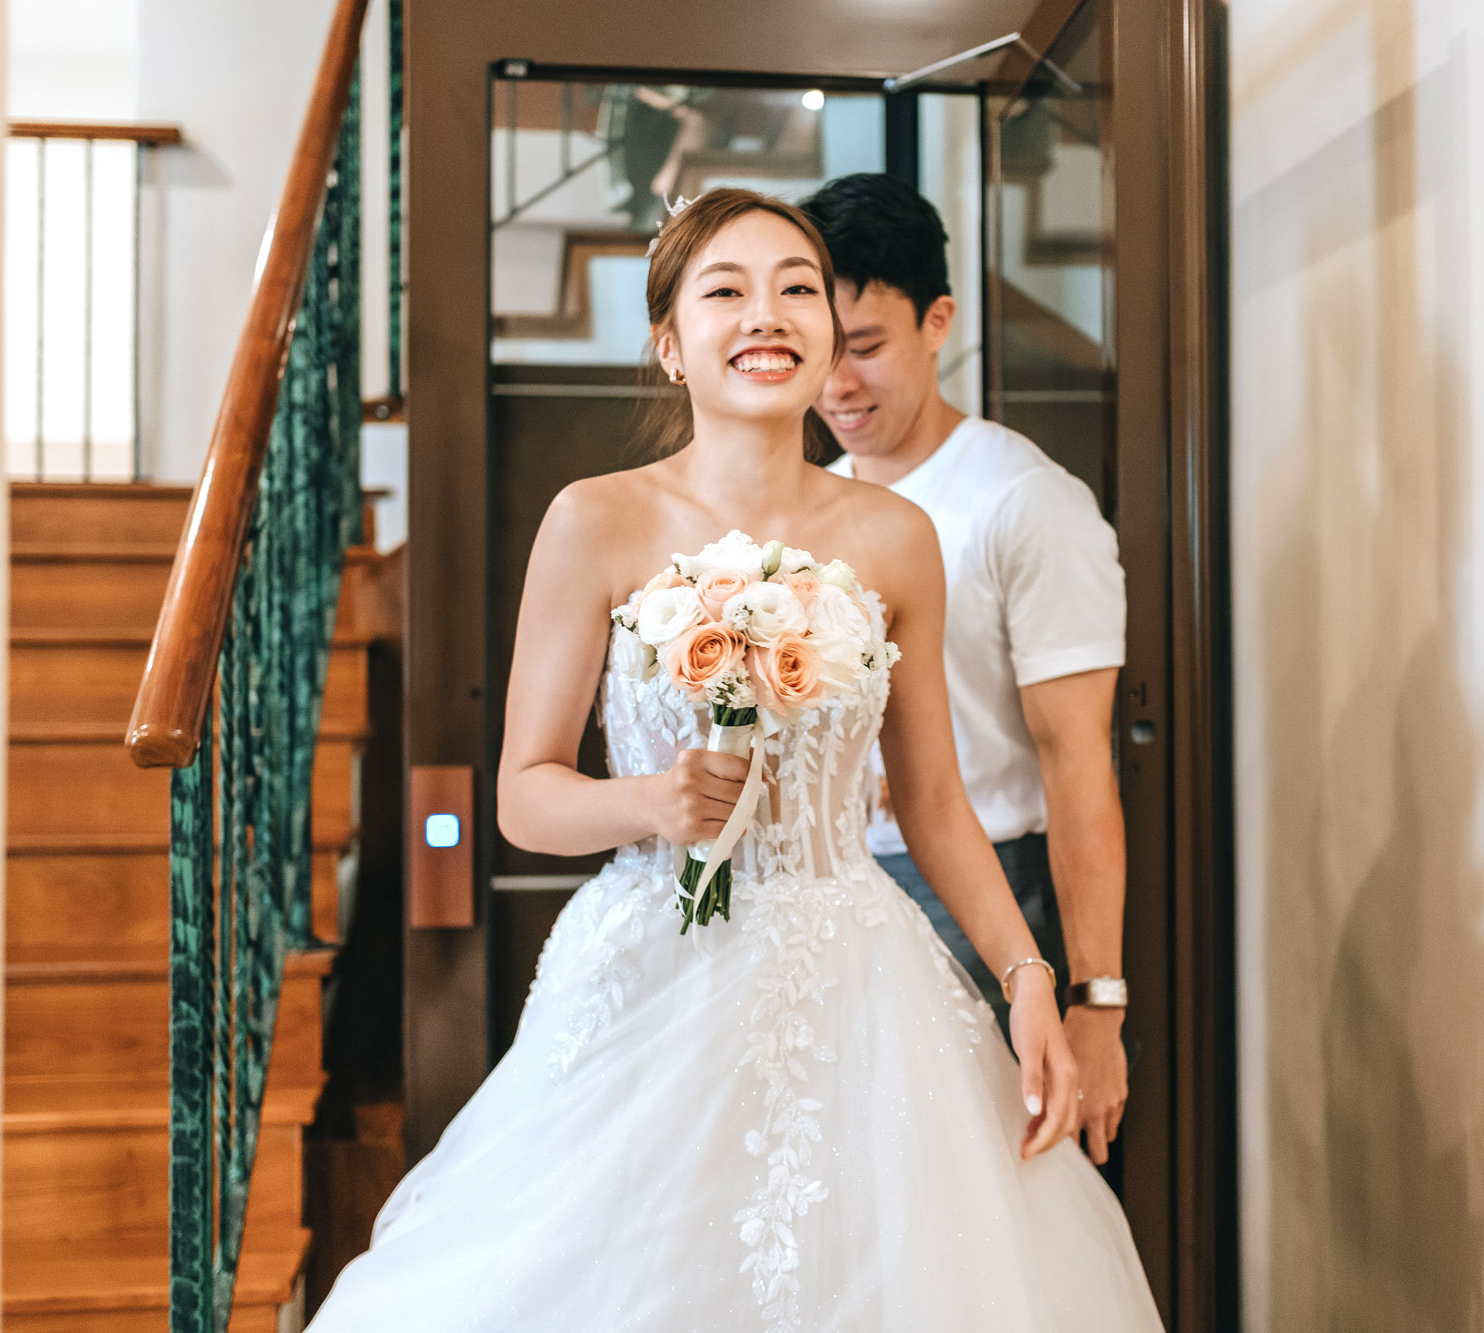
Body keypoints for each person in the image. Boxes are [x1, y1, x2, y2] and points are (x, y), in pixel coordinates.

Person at [307, 188, 1162, 1331]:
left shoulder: (894, 536)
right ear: (669, 343)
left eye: (796, 288)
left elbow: (934, 805)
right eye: (726, 291)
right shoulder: (593, 520)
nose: (767, 314)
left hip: (853, 973)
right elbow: (522, 796)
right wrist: (653, 801)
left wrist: (1028, 978)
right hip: (651, 967)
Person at [801, 173, 1134, 1166]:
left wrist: (1096, 1001)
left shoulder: (1021, 501)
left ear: (937, 321)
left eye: (866, 346)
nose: (837, 384)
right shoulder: (808, 504)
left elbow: (1078, 761)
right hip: (829, 892)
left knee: (976, 1182)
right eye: (821, 348)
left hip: (985, 890)